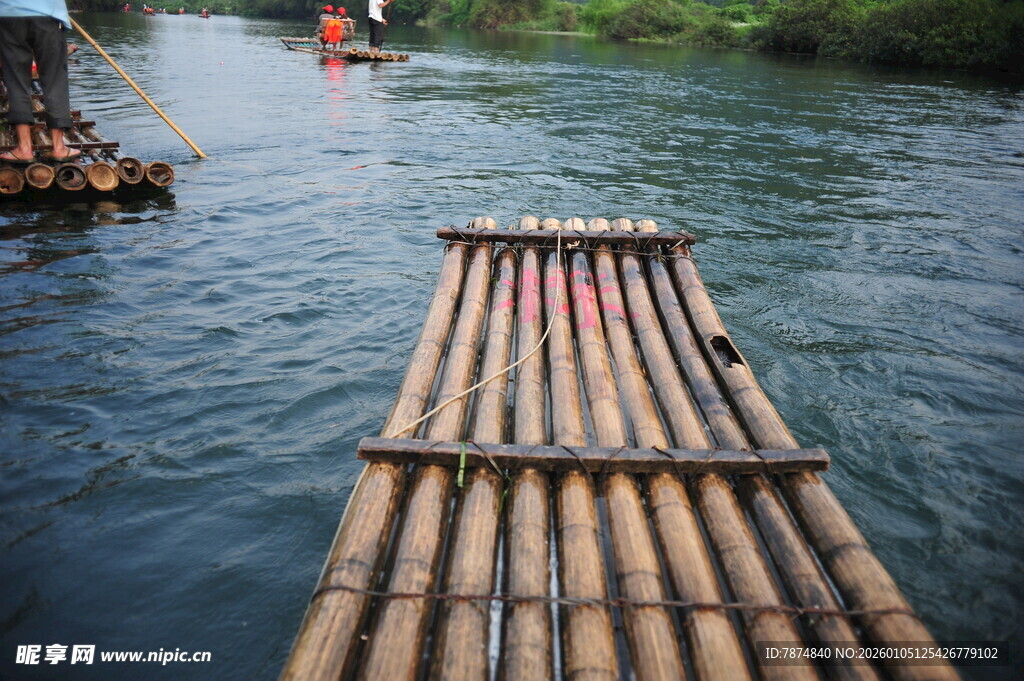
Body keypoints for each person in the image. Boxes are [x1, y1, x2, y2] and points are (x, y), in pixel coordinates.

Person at [0, 0, 81, 163]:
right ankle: (59, 147)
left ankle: (24, 148)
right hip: (48, 15)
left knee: (16, 82)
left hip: (9, 15)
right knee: (55, 81)